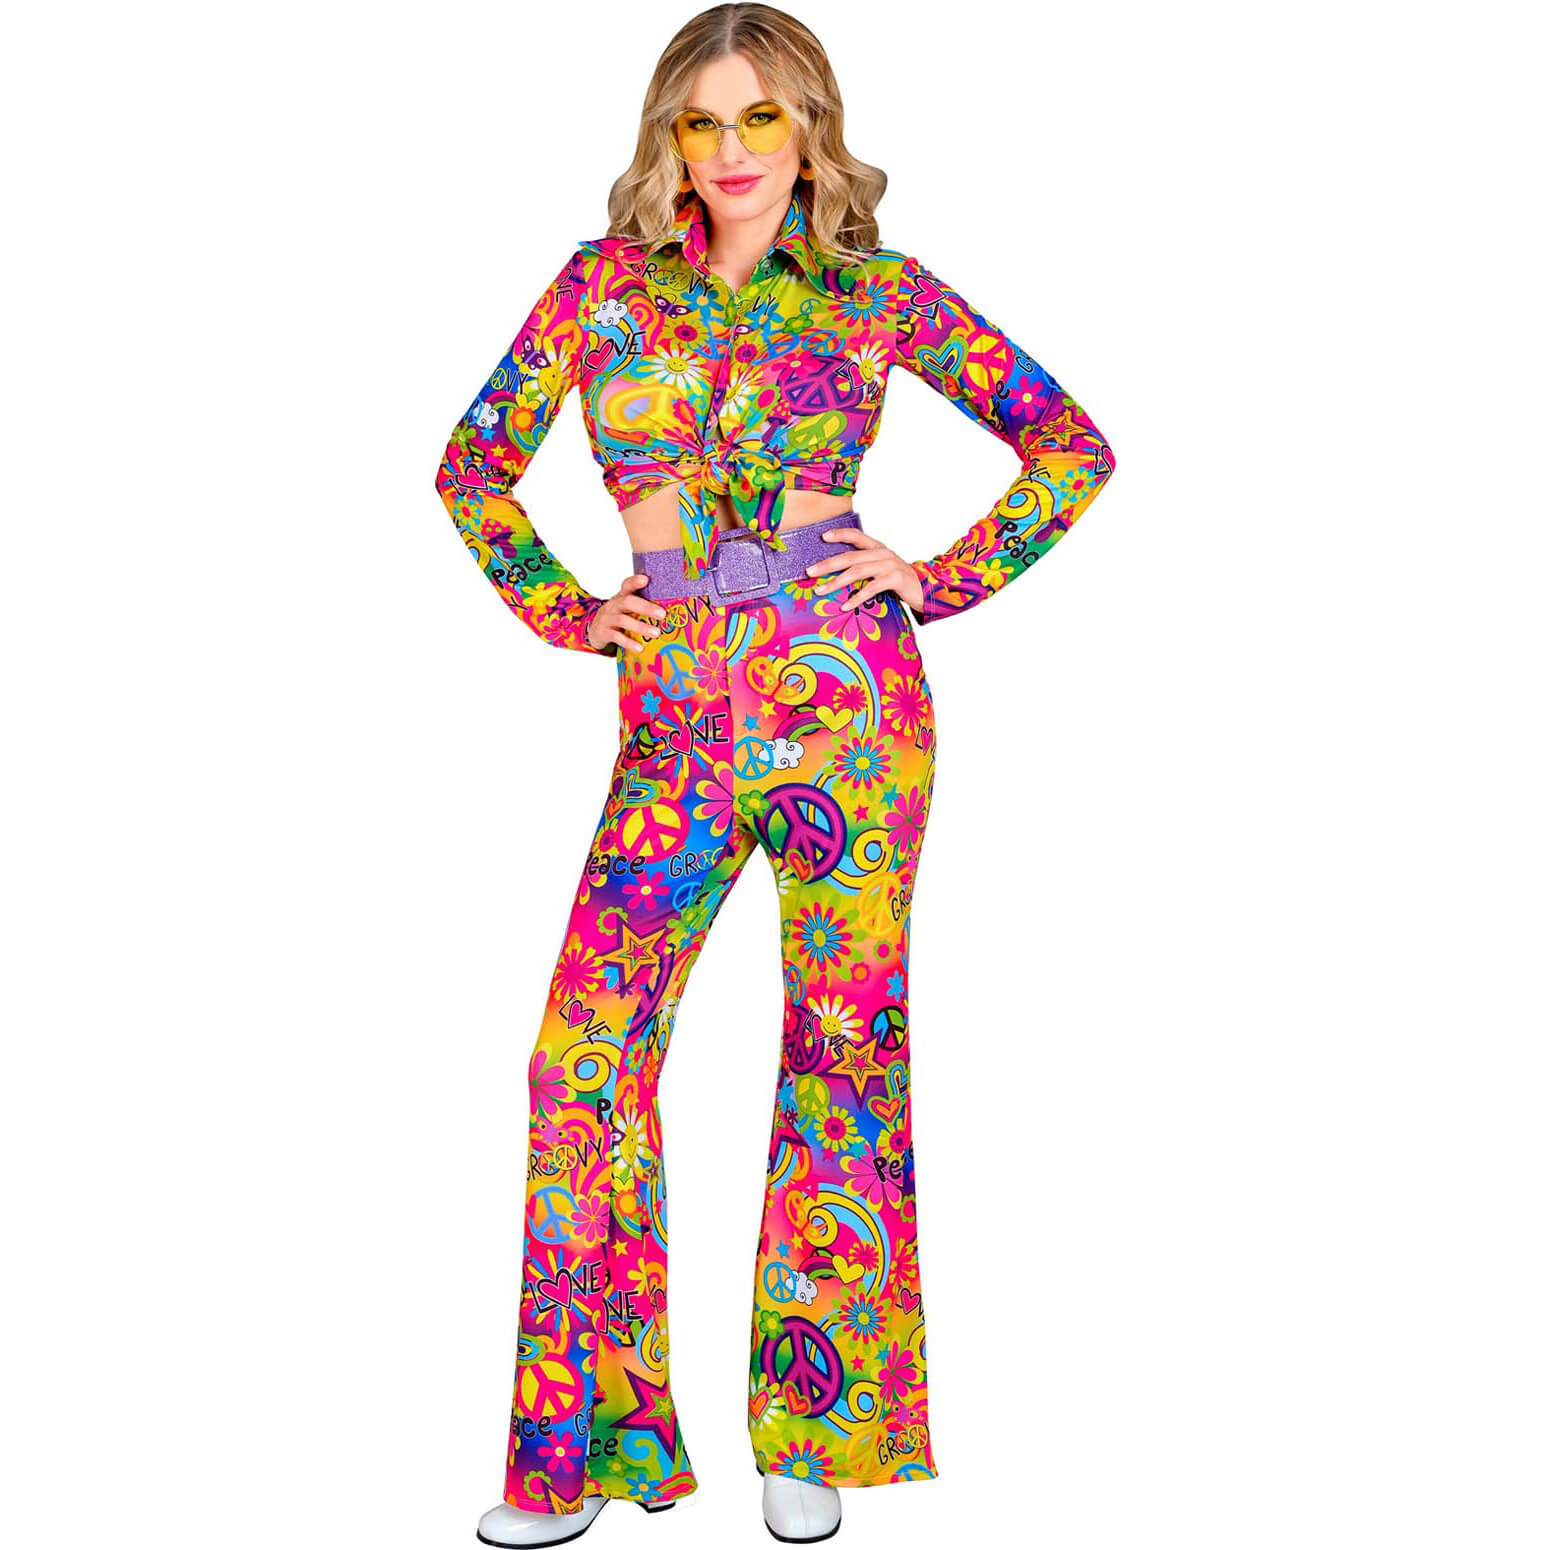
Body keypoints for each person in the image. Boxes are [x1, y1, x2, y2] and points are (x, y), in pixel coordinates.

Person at [432, 5, 1117, 1543]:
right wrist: (564, 607)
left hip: (847, 714)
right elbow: (471, 469)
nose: (731, 150)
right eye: (701, 122)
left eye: (760, 118)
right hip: (674, 717)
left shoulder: (877, 292)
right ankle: (586, 1446)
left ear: (809, 130)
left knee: (839, 1054)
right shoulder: (600, 289)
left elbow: (1069, 445)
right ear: (666, 140)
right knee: (578, 1061)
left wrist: (934, 578)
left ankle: (818, 1424)